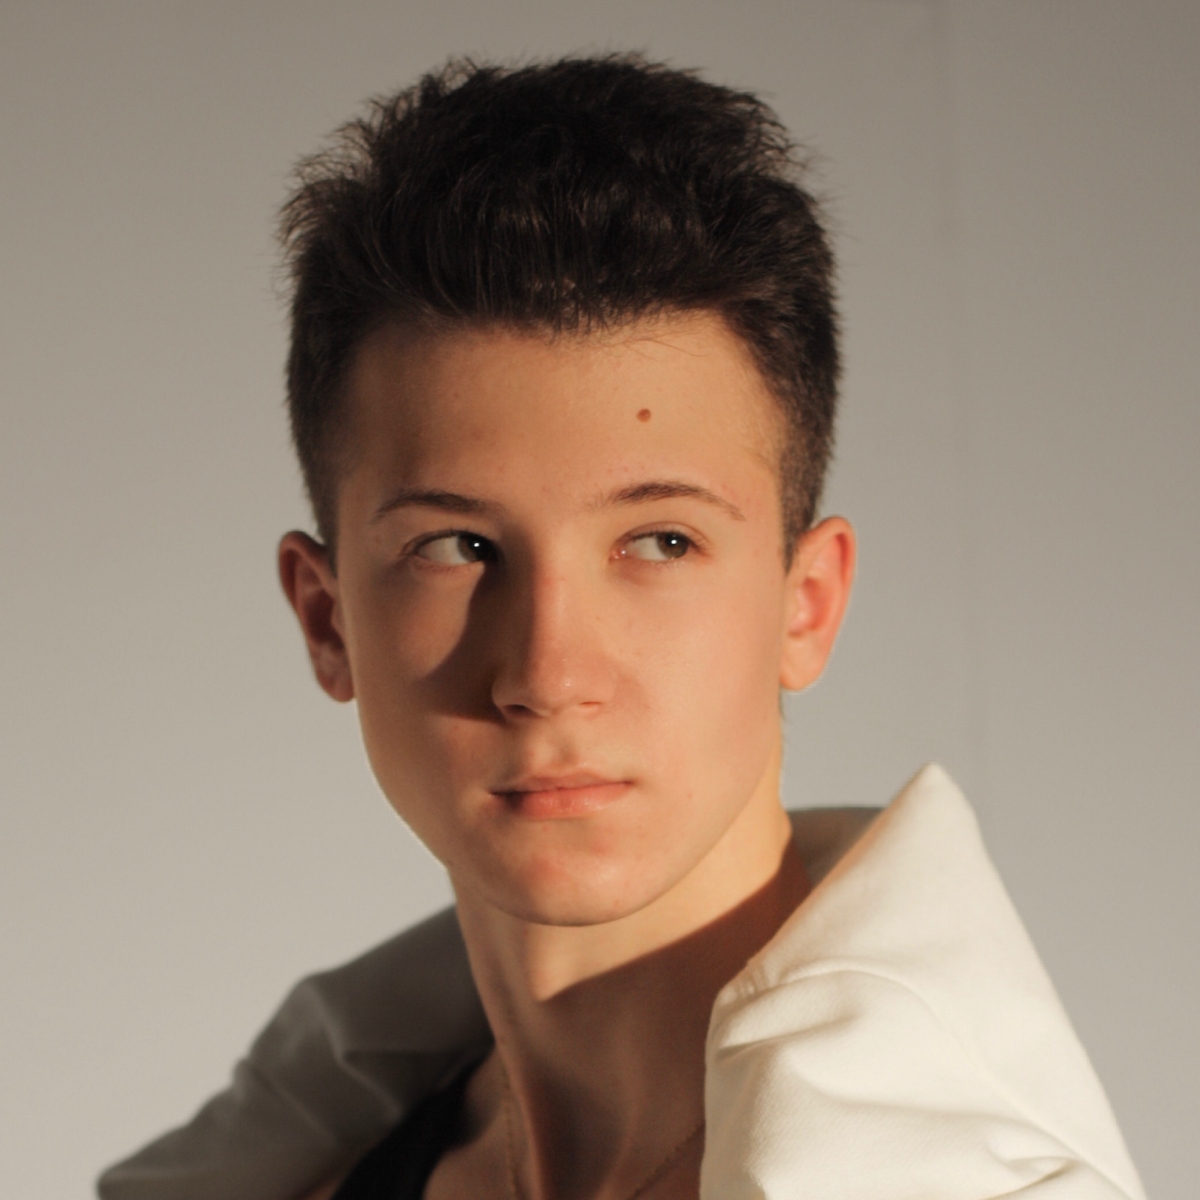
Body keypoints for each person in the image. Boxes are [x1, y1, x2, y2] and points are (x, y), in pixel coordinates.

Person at [98, 56, 1145, 1200]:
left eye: (661, 543)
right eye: (458, 548)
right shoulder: (321, 1172)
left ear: (806, 605)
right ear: (326, 617)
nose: (550, 674)